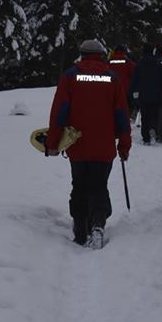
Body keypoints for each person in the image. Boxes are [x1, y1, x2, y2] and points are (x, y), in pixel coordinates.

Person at [46, 39, 132, 248]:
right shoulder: (112, 78)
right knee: (99, 186)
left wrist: (53, 142)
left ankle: (80, 230)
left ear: (81, 54)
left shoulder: (70, 76)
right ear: (102, 55)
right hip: (104, 146)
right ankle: (97, 225)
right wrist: (124, 144)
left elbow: (59, 112)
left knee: (79, 186)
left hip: (77, 144)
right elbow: (122, 114)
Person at [129, 44, 162, 145]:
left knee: (145, 116)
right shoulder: (158, 64)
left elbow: (135, 81)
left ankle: (146, 137)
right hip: (156, 94)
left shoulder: (139, 64)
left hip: (143, 94)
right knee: (154, 114)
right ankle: (153, 128)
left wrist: (133, 94)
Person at [107, 45, 136, 111]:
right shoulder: (128, 62)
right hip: (125, 92)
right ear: (124, 52)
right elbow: (135, 74)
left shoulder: (109, 62)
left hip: (111, 91)